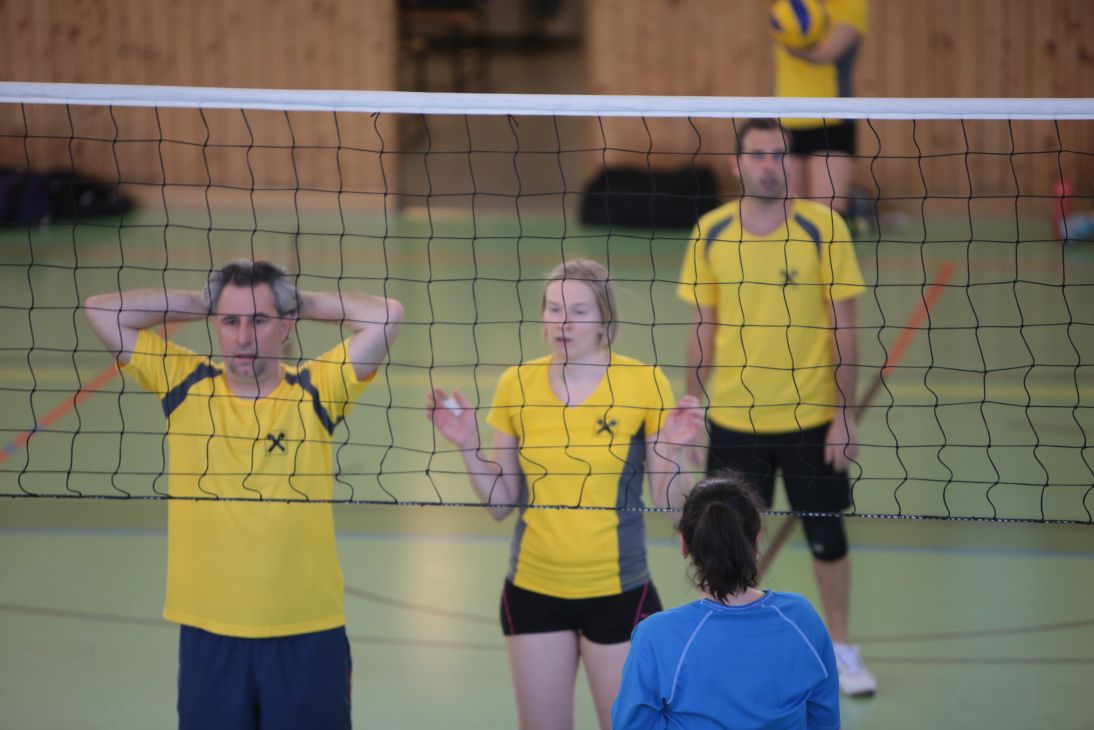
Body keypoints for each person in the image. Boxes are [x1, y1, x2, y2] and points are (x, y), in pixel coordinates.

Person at [84, 259, 404, 729]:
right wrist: (202, 302)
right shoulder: (184, 383)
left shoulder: (316, 390)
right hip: (210, 633)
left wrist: (298, 302)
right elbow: (100, 310)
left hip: (307, 631)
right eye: (230, 322)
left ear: (285, 326)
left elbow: (388, 316)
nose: (244, 337)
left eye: (259, 320)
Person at [427, 258, 703, 730]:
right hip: (533, 590)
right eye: (553, 309)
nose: (563, 322)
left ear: (604, 320)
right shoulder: (516, 383)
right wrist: (468, 445)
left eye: (577, 311)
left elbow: (671, 503)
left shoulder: (643, 383)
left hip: (618, 592)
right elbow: (501, 503)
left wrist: (674, 451)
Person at [678, 117, 876, 697]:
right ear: (737, 164)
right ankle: (720, 647)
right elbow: (702, 325)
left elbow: (844, 326)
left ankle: (841, 647)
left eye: (780, 154)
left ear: (793, 163)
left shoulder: (823, 228)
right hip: (733, 418)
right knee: (724, 545)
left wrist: (844, 414)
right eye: (758, 155)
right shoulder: (711, 231)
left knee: (827, 538)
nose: (770, 165)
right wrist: (690, 406)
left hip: (811, 418)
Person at [611, 473, 840, 729]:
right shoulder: (802, 619)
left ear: (684, 544)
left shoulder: (655, 637)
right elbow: (825, 720)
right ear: (756, 543)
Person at [774, 0, 868, 218]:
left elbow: (826, 52)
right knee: (790, 215)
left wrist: (794, 47)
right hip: (787, 119)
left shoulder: (850, 4)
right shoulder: (789, 6)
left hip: (831, 119)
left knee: (828, 215)